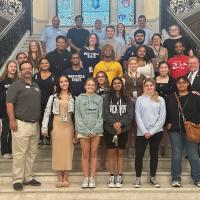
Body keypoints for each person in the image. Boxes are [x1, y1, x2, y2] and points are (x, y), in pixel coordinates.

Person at [6, 61, 41, 191]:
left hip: (34, 124)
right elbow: (9, 103)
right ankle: (17, 179)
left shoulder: (36, 85)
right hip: (20, 124)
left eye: (29, 69)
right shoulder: (16, 85)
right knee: (20, 154)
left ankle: (28, 177)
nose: (27, 71)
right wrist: (12, 120)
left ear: (32, 70)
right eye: (24, 69)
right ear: (20, 72)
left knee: (32, 153)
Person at [167, 76, 200, 187]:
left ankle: (197, 178)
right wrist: (168, 122)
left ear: (188, 84)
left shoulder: (195, 97)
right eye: (179, 83)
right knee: (176, 154)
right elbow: (166, 112)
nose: (181, 84)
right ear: (176, 85)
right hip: (175, 130)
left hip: (191, 129)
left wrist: (194, 122)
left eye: (184, 82)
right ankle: (176, 178)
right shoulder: (171, 97)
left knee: (194, 155)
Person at [41, 75, 74, 187]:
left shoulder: (73, 97)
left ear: (69, 83)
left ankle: (66, 176)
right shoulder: (53, 97)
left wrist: (77, 131)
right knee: (57, 150)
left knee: (68, 151)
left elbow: (77, 115)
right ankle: (59, 177)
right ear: (58, 84)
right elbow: (47, 112)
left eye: (66, 81)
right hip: (56, 126)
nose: (64, 83)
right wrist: (44, 127)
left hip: (69, 126)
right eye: (61, 82)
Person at [134, 78, 166, 188]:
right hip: (141, 133)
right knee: (139, 155)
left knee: (154, 155)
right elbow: (137, 116)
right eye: (146, 86)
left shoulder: (160, 99)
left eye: (151, 85)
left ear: (154, 86)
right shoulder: (139, 99)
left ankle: (153, 177)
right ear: (143, 87)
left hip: (156, 132)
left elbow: (162, 118)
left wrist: (152, 131)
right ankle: (138, 178)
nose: (149, 87)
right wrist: (144, 131)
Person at [103, 77, 133, 188]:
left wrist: (121, 124)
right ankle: (112, 175)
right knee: (111, 153)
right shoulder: (107, 97)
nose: (117, 85)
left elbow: (130, 114)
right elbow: (105, 113)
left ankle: (119, 175)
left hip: (123, 129)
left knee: (120, 153)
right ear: (112, 85)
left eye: (119, 83)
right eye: (115, 83)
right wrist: (114, 123)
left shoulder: (127, 98)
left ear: (122, 85)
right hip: (109, 129)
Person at [75, 78, 103, 188]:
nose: (90, 87)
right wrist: (85, 130)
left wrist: (95, 130)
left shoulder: (99, 99)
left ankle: (92, 178)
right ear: (85, 86)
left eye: (93, 85)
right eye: (88, 85)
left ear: (95, 87)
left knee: (94, 153)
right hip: (83, 131)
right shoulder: (79, 99)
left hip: (96, 130)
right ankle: (85, 177)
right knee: (85, 154)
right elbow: (78, 116)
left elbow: (100, 116)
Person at [122, 57, 146, 156]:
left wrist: (140, 99)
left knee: (138, 125)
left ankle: (137, 146)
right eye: (131, 64)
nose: (133, 65)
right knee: (129, 125)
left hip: (140, 103)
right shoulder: (124, 76)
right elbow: (122, 89)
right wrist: (130, 99)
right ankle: (129, 146)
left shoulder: (143, 77)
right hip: (128, 103)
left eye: (135, 63)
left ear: (137, 64)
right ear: (128, 65)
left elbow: (145, 89)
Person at [32, 58, 57, 145]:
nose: (44, 64)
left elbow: (55, 90)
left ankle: (49, 137)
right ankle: (40, 137)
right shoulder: (35, 76)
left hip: (49, 102)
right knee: (39, 119)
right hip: (37, 101)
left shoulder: (54, 77)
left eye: (46, 63)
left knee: (49, 120)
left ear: (49, 65)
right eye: (42, 63)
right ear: (39, 65)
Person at [155, 61, 175, 157]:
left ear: (168, 69)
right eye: (161, 68)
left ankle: (164, 147)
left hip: (168, 106)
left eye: (165, 68)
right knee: (157, 126)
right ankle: (156, 146)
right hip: (155, 107)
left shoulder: (172, 81)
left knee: (166, 127)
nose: (163, 69)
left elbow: (175, 96)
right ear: (158, 69)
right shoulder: (154, 79)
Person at [0, 60, 18, 159]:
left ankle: (12, 150)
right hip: (4, 111)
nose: (13, 68)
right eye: (11, 66)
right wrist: (6, 93)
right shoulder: (2, 81)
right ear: (7, 68)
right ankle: (4, 151)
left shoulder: (18, 81)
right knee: (5, 132)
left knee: (14, 132)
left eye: (15, 66)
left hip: (17, 111)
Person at [95, 71, 110, 170]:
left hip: (107, 118)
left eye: (102, 76)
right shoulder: (92, 88)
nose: (100, 78)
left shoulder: (110, 90)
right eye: (98, 77)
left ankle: (102, 162)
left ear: (105, 78)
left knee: (104, 142)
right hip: (94, 118)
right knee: (96, 142)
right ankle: (93, 163)